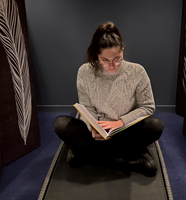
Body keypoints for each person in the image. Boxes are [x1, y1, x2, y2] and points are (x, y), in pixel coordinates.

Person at [54, 21, 164, 177]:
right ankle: (126, 160)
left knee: (156, 126)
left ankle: (91, 156)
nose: (112, 66)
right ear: (97, 55)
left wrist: (120, 123)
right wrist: (92, 126)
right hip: (99, 132)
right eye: (105, 60)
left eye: (117, 59)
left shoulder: (137, 71)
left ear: (123, 51)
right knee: (60, 124)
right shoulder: (85, 72)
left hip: (125, 129)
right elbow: (87, 108)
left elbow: (147, 107)